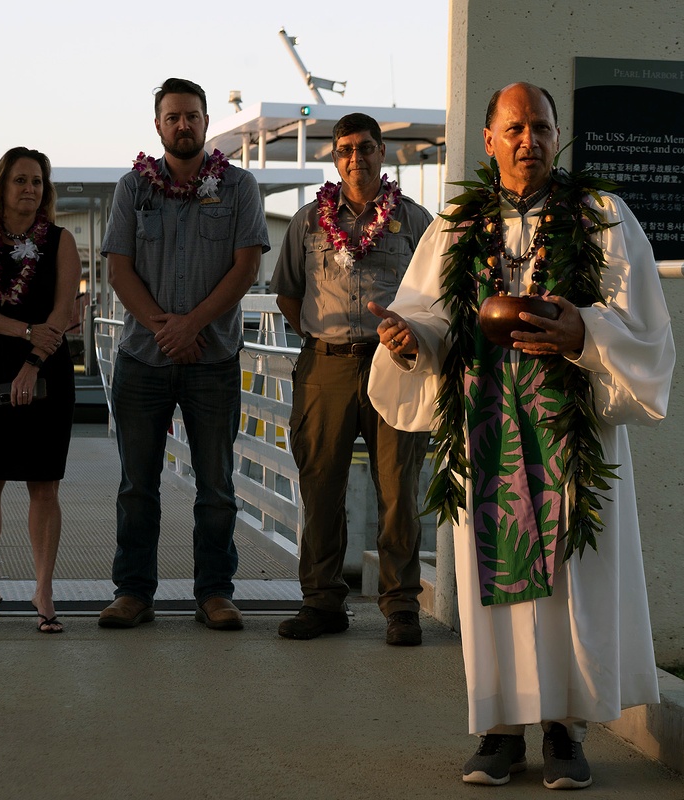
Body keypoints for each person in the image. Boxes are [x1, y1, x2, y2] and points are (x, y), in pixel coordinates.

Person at [368, 82, 674, 789]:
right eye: (514, 128)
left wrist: (584, 331)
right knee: (495, 583)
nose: (527, 140)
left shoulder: (602, 217)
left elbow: (646, 331)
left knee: (570, 580)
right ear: (489, 140)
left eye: (540, 126)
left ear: (558, 135)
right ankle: (501, 730)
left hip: (572, 429)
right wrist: (409, 340)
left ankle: (566, 731)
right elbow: (428, 314)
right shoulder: (454, 224)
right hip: (490, 428)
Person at [99, 77, 270, 631]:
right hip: (142, 360)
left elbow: (246, 265)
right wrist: (163, 328)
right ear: (158, 125)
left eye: (192, 116)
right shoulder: (133, 188)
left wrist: (192, 325)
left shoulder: (239, 187)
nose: (183, 125)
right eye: (172, 117)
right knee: (136, 487)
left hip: (212, 358)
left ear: (205, 121)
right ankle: (133, 593)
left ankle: (215, 593)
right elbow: (118, 267)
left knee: (217, 487)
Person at [269, 113, 432, 645]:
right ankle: (322, 602)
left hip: (395, 365)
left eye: (365, 147)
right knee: (321, 486)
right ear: (334, 158)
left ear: (383, 152)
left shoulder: (414, 221)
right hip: (327, 368)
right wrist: (325, 338)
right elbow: (289, 294)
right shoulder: (307, 222)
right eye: (344, 149)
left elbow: (436, 298)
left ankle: (401, 606)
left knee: (398, 490)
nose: (355, 157)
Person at [0, 147, 79, 633]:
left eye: (38, 182)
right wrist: (23, 334)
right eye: (20, 181)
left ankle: (43, 590)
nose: (31, 189)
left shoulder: (61, 241)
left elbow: (62, 311)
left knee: (43, 485)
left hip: (46, 364)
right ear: (1, 187)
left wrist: (32, 361)